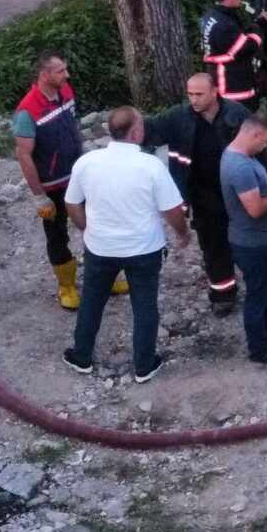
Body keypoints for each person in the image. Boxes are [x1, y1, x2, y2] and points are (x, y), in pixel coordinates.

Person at [62, 106, 190, 382]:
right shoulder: (151, 166)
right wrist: (184, 234)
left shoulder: (87, 162)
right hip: (144, 249)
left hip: (100, 248)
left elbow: (71, 202)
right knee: (145, 306)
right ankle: (144, 364)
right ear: (136, 133)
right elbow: (172, 210)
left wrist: (87, 228)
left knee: (93, 301)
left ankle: (81, 355)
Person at [144, 73, 246, 306]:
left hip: (237, 193)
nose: (193, 100)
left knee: (252, 242)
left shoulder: (237, 115)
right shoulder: (178, 118)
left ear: (214, 91)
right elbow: (145, 132)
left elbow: (258, 150)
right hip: (202, 195)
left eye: (199, 94)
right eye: (190, 94)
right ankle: (223, 294)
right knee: (213, 245)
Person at [219, 112, 267, 366]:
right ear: (254, 134)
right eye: (265, 141)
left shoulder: (241, 157)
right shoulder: (239, 166)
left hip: (263, 239)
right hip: (253, 242)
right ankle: (258, 347)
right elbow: (255, 208)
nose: (266, 146)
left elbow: (257, 184)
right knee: (258, 294)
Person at [14, 51, 88, 309]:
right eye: (60, 71)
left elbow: (72, 126)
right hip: (52, 186)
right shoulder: (28, 111)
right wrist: (39, 196)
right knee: (57, 236)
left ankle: (104, 276)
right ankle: (66, 287)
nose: (66, 75)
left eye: (65, 69)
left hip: (78, 177)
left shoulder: (65, 92)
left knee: (94, 227)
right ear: (44, 75)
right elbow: (24, 156)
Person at [200, 0, 262, 107]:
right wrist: (256, 29)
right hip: (233, 87)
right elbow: (249, 47)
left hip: (222, 81)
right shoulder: (224, 25)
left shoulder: (210, 16)